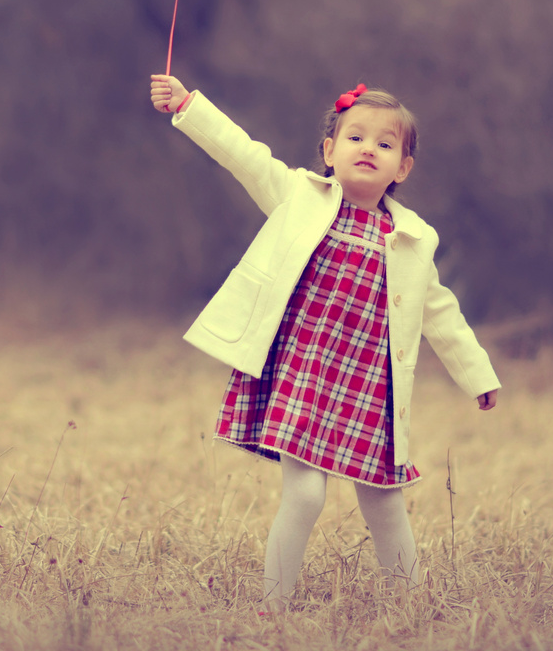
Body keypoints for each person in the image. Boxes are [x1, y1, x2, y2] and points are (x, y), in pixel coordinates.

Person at [149, 73, 499, 608]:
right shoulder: (299, 197)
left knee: (385, 500)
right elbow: (244, 154)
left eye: (385, 144)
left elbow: (441, 313)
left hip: (367, 389)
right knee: (307, 494)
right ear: (329, 151)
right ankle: (274, 607)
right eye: (356, 137)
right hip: (303, 374)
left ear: (402, 168)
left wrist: (476, 374)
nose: (369, 149)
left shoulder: (411, 239)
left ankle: (410, 605)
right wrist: (188, 104)